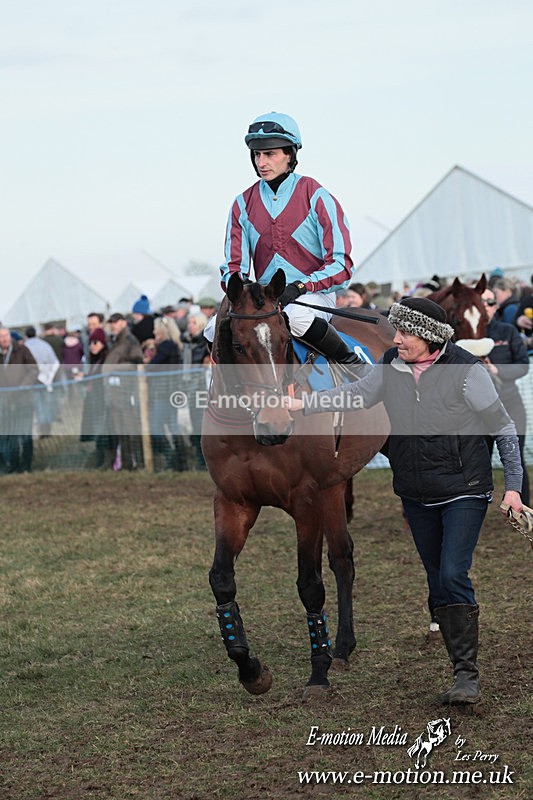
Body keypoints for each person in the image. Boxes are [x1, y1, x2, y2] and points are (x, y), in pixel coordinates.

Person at [284, 297, 523, 706]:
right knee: (436, 580)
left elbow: (502, 426)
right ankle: (458, 663)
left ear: (429, 337)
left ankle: (466, 676)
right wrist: (303, 403)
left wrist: (513, 486)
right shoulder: (391, 366)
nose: (396, 339)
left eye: (405, 332)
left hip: (465, 488)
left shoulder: (467, 371)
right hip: (415, 492)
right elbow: (355, 395)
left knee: (451, 575)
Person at [207, 111, 365, 374]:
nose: (262, 161)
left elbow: (342, 265)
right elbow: (234, 265)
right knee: (213, 329)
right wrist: (239, 288)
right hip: (265, 300)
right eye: (257, 154)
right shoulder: (241, 204)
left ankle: (354, 367)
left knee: (297, 318)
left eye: (270, 154)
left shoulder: (316, 196)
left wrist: (302, 286)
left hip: (313, 296)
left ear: (290, 155)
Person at [481, 288, 530, 505]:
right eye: (480, 302)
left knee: (515, 457)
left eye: (490, 302)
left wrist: (498, 371)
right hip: (477, 410)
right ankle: (474, 508)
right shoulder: (461, 335)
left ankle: (523, 507)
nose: (485, 307)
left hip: (509, 403)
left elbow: (522, 365)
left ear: (496, 305)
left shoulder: (507, 331)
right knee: (478, 461)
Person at [103, 313, 144, 470]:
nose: (112, 325)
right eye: (110, 322)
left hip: (127, 392)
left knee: (132, 429)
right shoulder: (115, 341)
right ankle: (127, 463)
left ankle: (139, 463)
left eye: (115, 322)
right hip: (114, 393)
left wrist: (115, 368)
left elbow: (137, 363)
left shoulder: (129, 340)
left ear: (123, 323)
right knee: (121, 430)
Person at [148, 316, 186, 470]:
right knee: (173, 426)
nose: (153, 332)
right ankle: (180, 461)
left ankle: (171, 458)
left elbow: (151, 366)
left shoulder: (166, 346)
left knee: (156, 427)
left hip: (164, 393)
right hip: (172, 392)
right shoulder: (174, 346)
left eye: (156, 329)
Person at [0, 327, 39, 473]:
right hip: (6, 401)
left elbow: (34, 369)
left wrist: (23, 386)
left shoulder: (22, 350)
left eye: (6, 336)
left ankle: (26, 465)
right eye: (1, 336)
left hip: (23, 400)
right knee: (11, 435)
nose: (4, 339)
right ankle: (14, 464)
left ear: (10, 336)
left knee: (25, 434)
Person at [80, 327, 117, 468]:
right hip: (95, 400)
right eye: (91, 343)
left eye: (96, 342)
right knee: (98, 430)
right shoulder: (94, 361)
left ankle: (106, 461)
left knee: (103, 430)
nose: (92, 346)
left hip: (103, 400)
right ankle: (100, 460)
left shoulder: (105, 360)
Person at [181, 312, 210, 470]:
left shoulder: (205, 343)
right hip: (189, 388)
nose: (190, 325)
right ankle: (199, 460)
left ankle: (204, 461)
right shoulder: (186, 342)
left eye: (193, 322)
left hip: (202, 388)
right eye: (189, 322)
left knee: (202, 425)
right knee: (194, 425)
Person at [23, 326, 60, 437]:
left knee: (38, 406)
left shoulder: (25, 347)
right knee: (46, 404)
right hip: (45, 379)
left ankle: (43, 430)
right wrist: (49, 377)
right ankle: (46, 429)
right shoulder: (45, 345)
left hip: (33, 380)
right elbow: (54, 362)